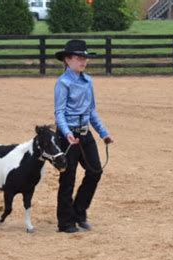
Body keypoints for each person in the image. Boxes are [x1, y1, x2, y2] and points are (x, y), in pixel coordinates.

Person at [54, 39, 114, 233]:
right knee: (68, 178)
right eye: (79, 58)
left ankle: (79, 211)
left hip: (85, 134)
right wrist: (67, 133)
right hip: (68, 137)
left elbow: (91, 111)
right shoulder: (63, 83)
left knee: (95, 171)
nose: (83, 61)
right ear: (68, 59)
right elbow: (59, 112)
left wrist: (103, 132)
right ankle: (65, 222)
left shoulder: (88, 81)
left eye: (85, 58)